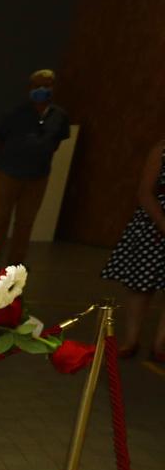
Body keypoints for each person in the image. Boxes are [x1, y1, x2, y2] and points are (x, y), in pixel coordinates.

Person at [0, 69, 72, 266]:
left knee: (26, 223)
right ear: (30, 88)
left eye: (47, 85)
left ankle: (15, 264)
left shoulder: (59, 115)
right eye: (38, 85)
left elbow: (57, 142)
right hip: (8, 173)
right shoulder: (15, 112)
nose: (42, 89)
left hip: (38, 176)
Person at [101, 139, 165, 361]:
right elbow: (145, 192)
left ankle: (160, 345)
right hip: (153, 224)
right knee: (141, 284)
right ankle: (131, 341)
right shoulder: (161, 150)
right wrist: (162, 222)